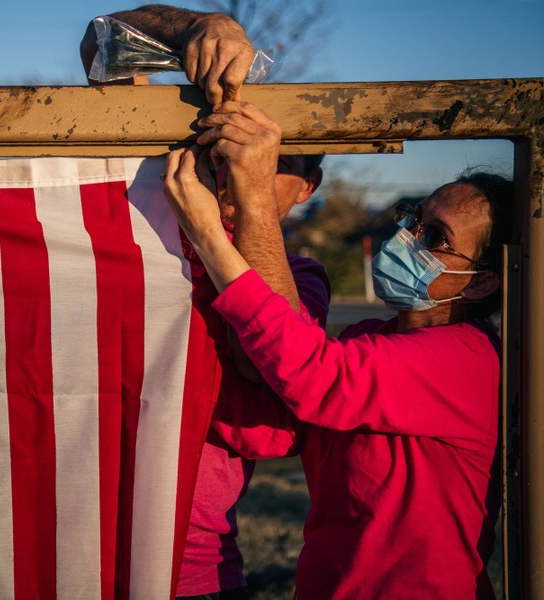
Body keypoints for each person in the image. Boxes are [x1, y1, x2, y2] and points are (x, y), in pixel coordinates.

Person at [163, 99, 511, 598]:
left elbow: (313, 375)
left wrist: (212, 237)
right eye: (415, 218)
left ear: (480, 284)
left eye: (434, 238)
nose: (408, 238)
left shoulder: (465, 358)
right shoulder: (371, 337)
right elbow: (280, 428)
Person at [81, 8, 329, 598]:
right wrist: (198, 26)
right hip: (68, 546)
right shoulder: (150, 221)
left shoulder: (302, 278)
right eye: (229, 149)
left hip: (191, 570)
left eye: (276, 164)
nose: (243, 168)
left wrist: (249, 204)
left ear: (308, 187)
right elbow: (102, 43)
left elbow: (265, 376)